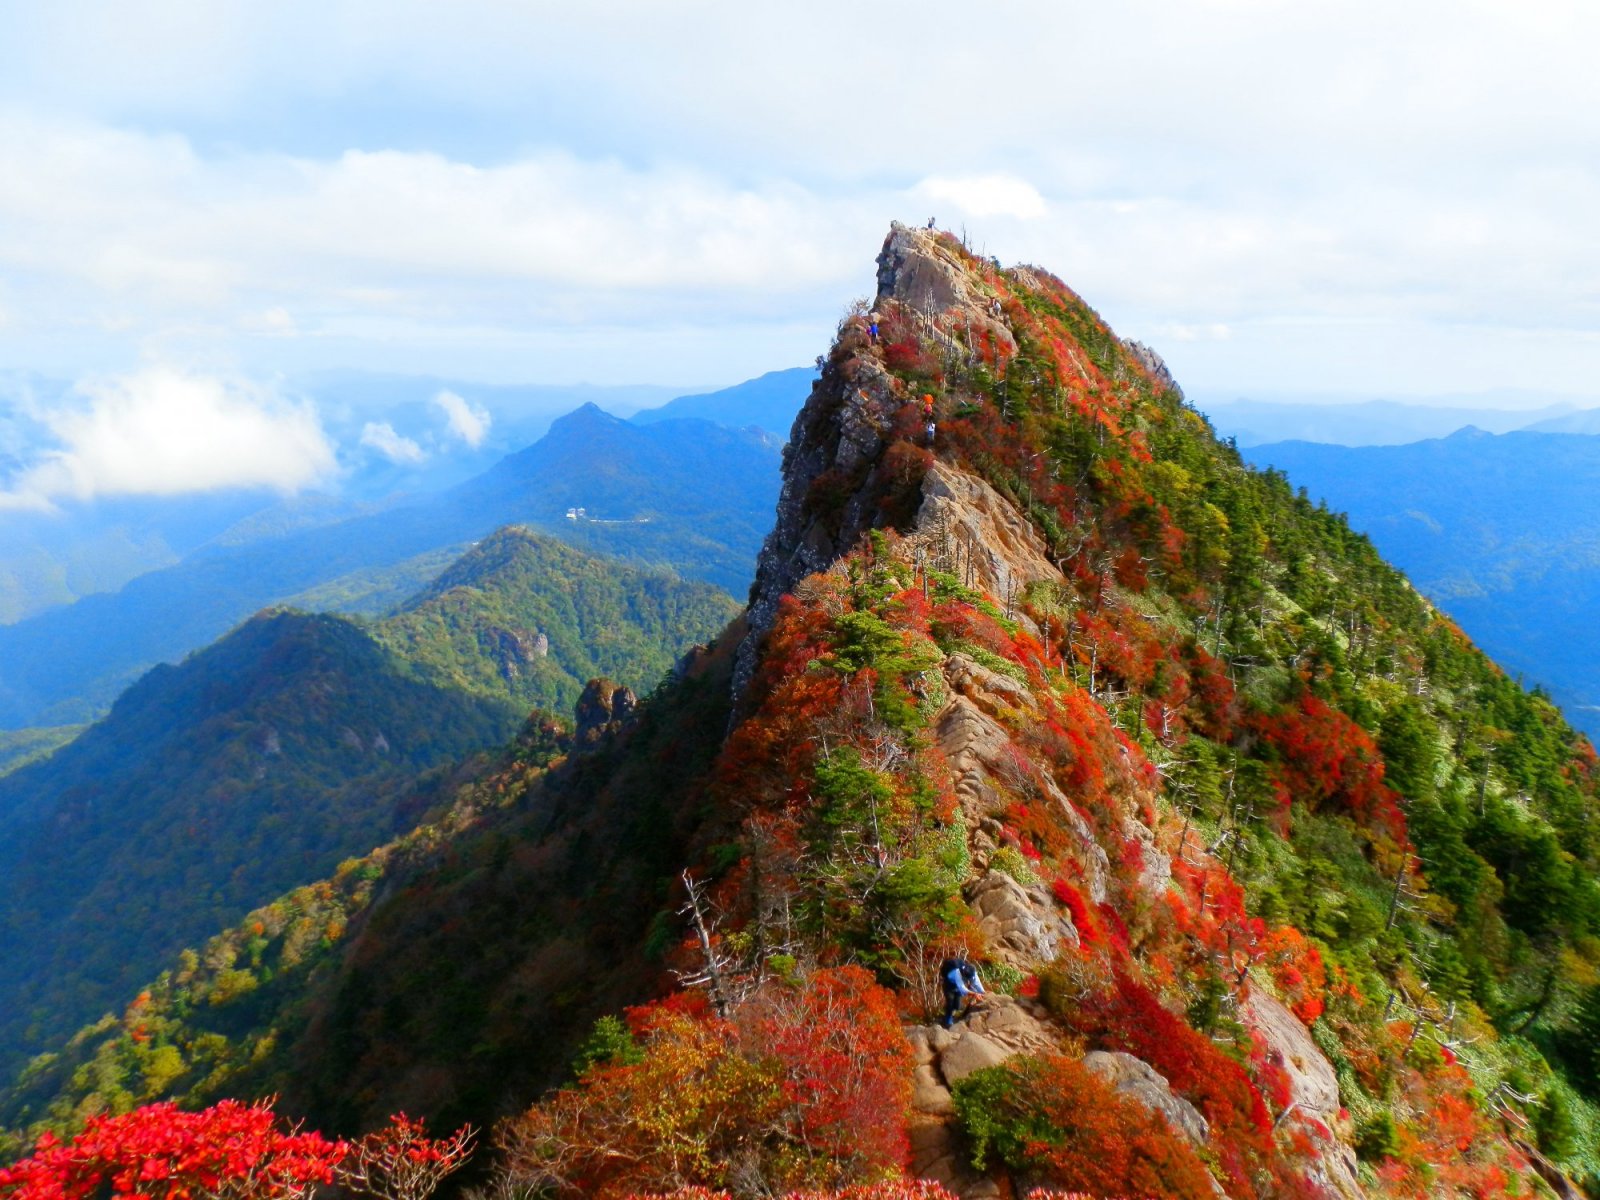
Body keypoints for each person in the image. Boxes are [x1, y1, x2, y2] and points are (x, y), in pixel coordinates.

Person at [939, 956, 985, 1028]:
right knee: (950, 1002)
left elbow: (977, 983)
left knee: (957, 1006)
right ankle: (948, 1020)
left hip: (958, 987)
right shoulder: (957, 973)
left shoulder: (973, 973)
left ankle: (948, 1010)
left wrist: (983, 993)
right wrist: (975, 994)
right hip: (949, 986)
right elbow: (962, 988)